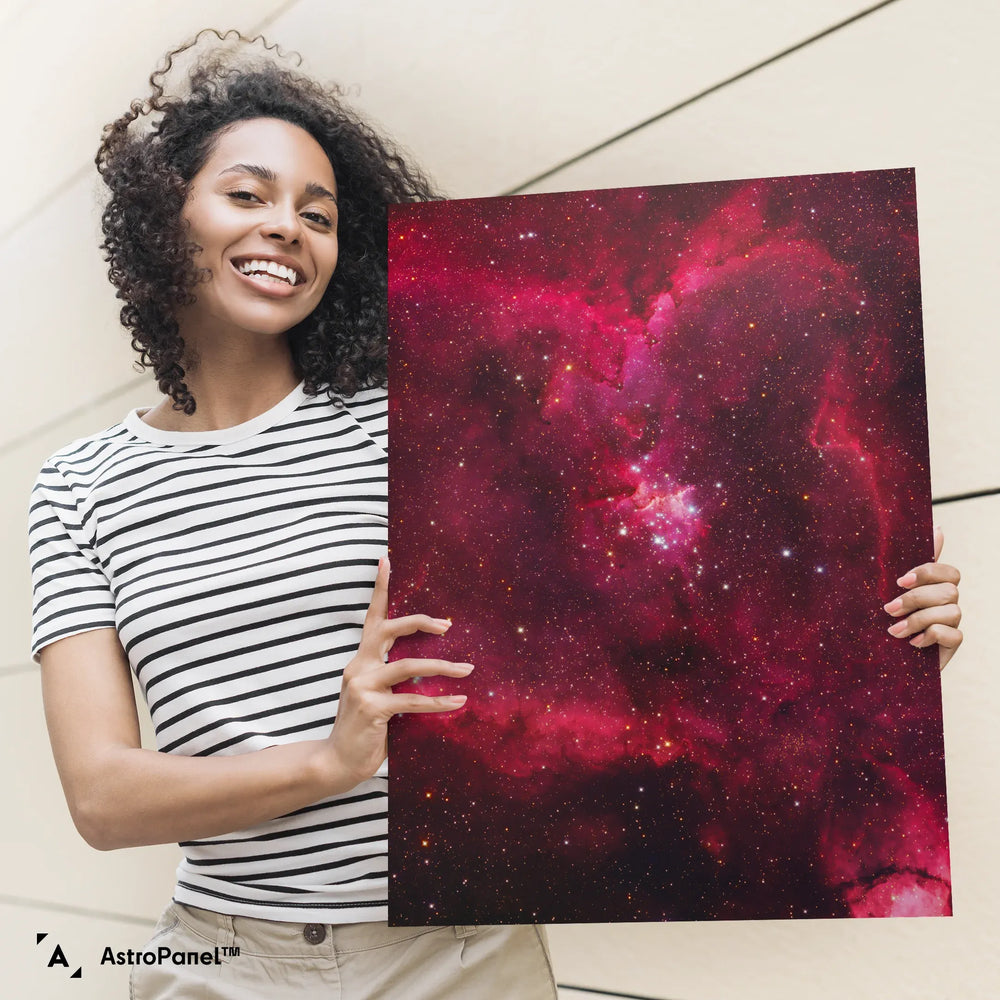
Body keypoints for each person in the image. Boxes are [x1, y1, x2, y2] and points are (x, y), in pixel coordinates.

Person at [27, 28, 962, 1000]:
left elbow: (664, 602)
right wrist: (330, 758)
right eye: (248, 194)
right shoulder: (78, 486)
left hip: (458, 958)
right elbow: (102, 796)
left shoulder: (412, 421)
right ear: (162, 215)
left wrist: (882, 636)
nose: (287, 228)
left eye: (319, 212)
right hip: (218, 964)